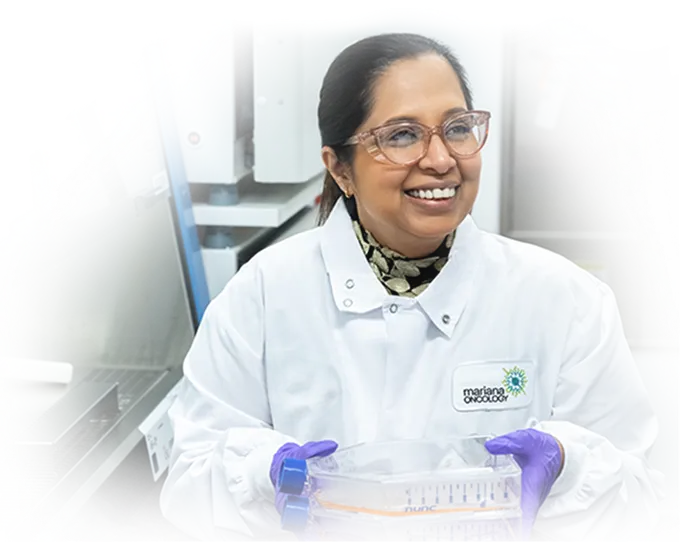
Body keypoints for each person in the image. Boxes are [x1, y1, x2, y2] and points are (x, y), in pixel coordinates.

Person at [159, 32, 666, 542]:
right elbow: (189, 481)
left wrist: (567, 467)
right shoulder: (265, 296)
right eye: (402, 135)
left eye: (457, 128)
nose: (442, 159)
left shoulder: (564, 300)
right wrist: (262, 480)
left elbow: (636, 499)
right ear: (340, 167)